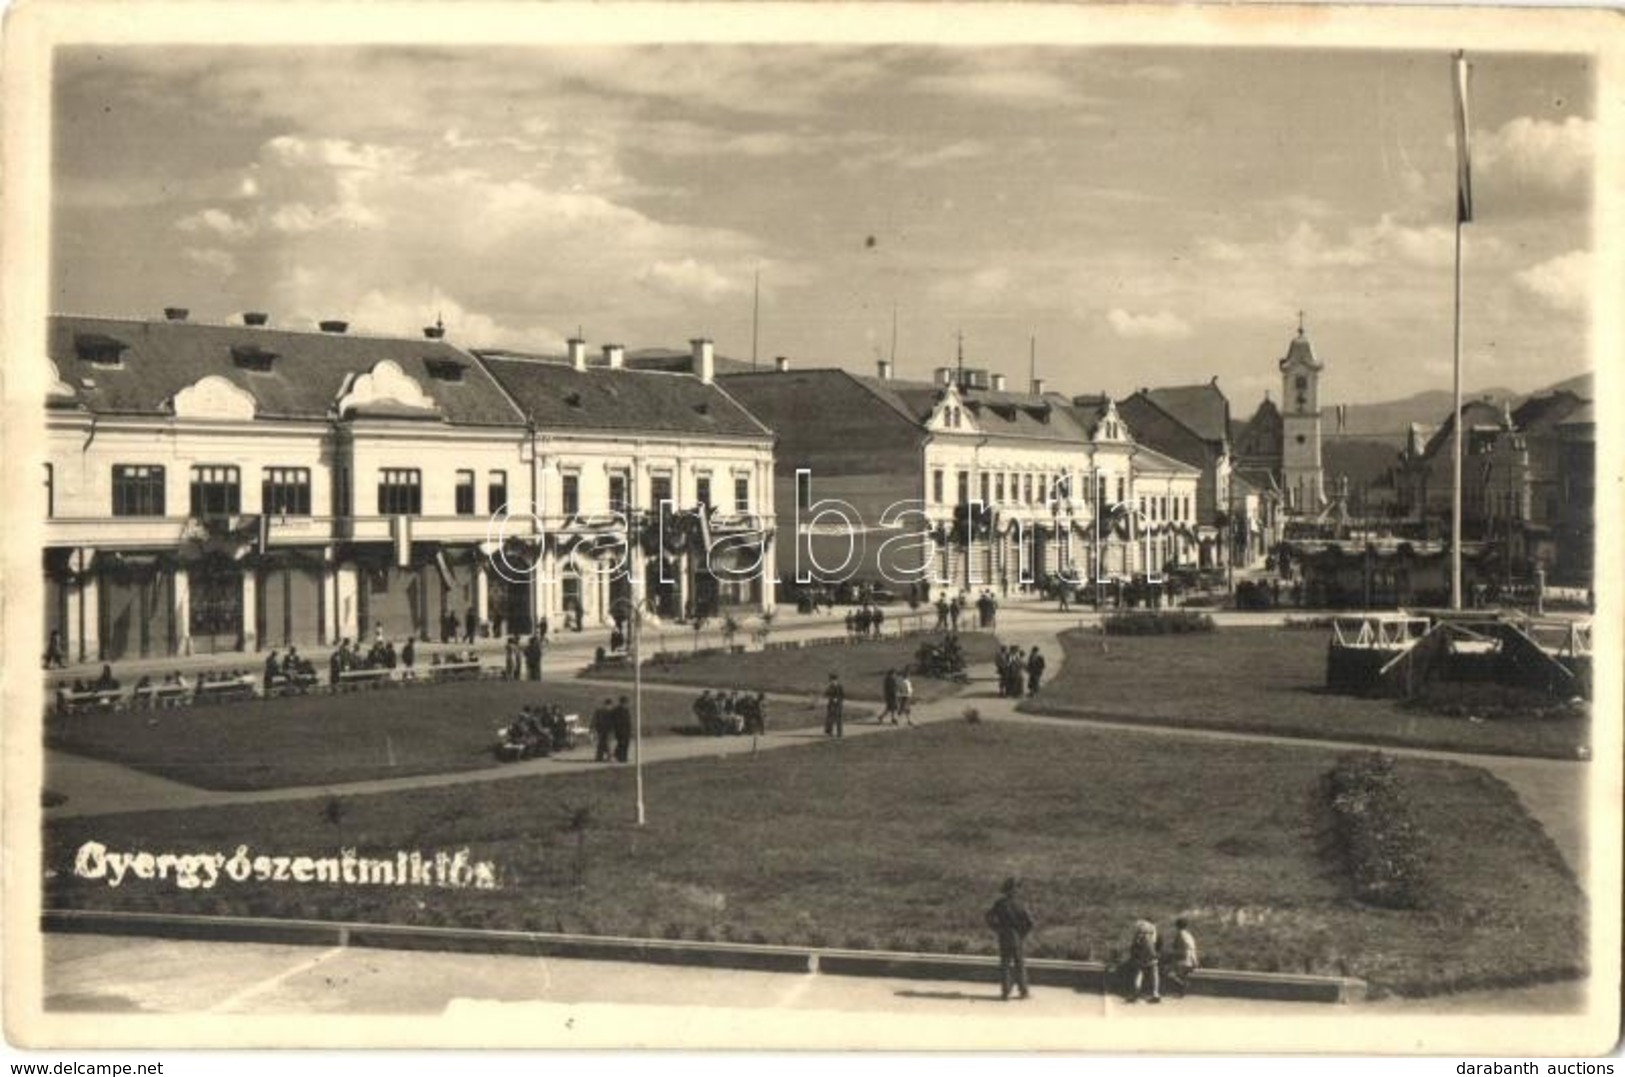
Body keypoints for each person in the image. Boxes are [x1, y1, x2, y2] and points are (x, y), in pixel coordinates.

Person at [985, 877, 1034, 1001]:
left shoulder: (999, 904)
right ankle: (1023, 991)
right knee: (1020, 965)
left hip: (1004, 937)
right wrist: (1022, 934)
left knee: (1005, 965)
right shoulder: (1021, 904)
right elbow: (1030, 922)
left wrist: (997, 928)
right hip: (1017, 937)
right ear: (1015, 890)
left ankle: (1005, 992)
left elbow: (988, 917)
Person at [1127, 917, 1161, 1003]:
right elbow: (1155, 942)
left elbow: (1134, 942)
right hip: (1151, 954)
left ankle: (1136, 993)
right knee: (1154, 973)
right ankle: (1155, 993)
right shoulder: (1153, 928)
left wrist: (1134, 955)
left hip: (1140, 954)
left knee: (1139, 972)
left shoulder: (1139, 926)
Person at [1166, 918, 1199, 998]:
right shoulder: (1189, 935)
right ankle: (1181, 993)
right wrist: (1195, 960)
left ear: (1177, 926)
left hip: (1182, 959)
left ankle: (1183, 986)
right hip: (1190, 958)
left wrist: (1171, 955)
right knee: (1182, 976)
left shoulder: (1179, 934)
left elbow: (1176, 947)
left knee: (1170, 973)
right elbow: (1192, 948)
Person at [823, 672, 845, 738]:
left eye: (833, 680)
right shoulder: (830, 687)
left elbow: (842, 695)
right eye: (831, 681)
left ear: (836, 680)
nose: (832, 682)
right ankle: (830, 732)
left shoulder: (839, 686)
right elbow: (826, 694)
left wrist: (838, 699)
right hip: (831, 704)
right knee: (830, 719)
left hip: (838, 705)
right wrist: (831, 698)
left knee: (838, 719)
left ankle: (839, 733)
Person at [612, 695, 633, 763]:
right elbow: (616, 721)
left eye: (626, 703)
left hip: (626, 730)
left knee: (626, 744)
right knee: (621, 744)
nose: (626, 704)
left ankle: (624, 757)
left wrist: (630, 730)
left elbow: (628, 721)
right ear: (621, 702)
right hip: (620, 730)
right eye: (625, 702)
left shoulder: (626, 710)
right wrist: (618, 730)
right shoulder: (617, 710)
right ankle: (618, 756)